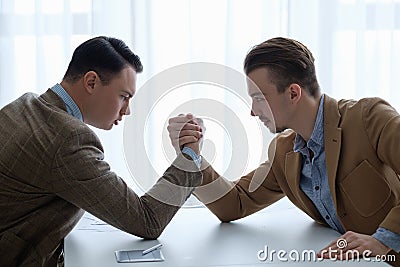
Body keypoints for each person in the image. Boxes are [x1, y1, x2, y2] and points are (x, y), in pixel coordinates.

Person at [168, 37, 400, 265]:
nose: (253, 111)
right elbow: (235, 203)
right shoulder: (284, 151)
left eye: (259, 98)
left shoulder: (369, 118)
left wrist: (382, 240)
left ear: (293, 94)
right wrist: (192, 154)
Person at [0, 36, 202, 266]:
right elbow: (148, 220)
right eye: (124, 96)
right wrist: (190, 155)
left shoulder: (26, 104)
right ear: (91, 82)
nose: (127, 111)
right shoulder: (68, 139)